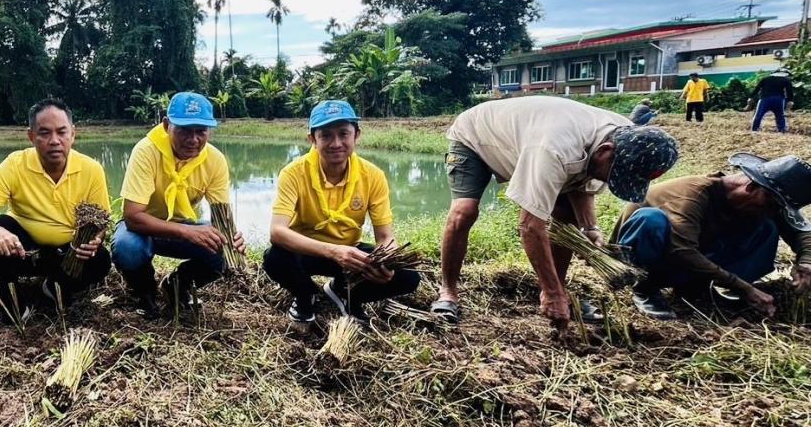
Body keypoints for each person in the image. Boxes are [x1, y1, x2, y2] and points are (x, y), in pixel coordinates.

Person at [433, 95, 678, 330]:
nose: (613, 181)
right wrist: (552, 294)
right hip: (477, 136)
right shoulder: (554, 147)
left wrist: (589, 228)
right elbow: (530, 225)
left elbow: (583, 181)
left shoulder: (627, 134)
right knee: (465, 210)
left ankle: (558, 289)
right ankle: (448, 292)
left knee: (567, 214)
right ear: (605, 151)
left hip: (529, 140)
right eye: (614, 175)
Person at [263, 100, 420, 331]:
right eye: (325, 135)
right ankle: (306, 295)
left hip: (351, 253)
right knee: (275, 258)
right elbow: (277, 231)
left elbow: (385, 236)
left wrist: (386, 261)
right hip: (307, 251)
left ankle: (347, 294)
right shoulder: (293, 173)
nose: (336, 143)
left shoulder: (373, 175)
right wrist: (334, 251)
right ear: (312, 140)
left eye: (343, 134)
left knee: (407, 276)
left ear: (356, 135)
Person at [612, 154, 811, 320]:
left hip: (688, 257)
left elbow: (802, 230)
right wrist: (743, 288)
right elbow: (682, 250)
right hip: (655, 255)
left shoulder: (763, 199)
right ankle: (645, 289)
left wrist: (807, 263)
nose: (772, 211)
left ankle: (695, 289)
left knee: (767, 225)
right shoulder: (693, 195)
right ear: (750, 187)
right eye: (773, 206)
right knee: (651, 219)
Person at [0, 99, 111, 325]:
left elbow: (101, 222)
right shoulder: (15, 164)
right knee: (0, 223)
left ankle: (56, 286)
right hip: (25, 251)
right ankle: (12, 296)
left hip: (67, 254)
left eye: (62, 132)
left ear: (73, 134)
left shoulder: (91, 169)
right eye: (44, 133)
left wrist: (95, 239)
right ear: (31, 136)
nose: (54, 141)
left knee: (100, 258)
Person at [113, 91, 245, 318]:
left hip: (181, 225)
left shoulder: (215, 160)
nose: (193, 140)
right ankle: (145, 292)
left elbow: (222, 216)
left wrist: (232, 236)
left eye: (201, 131)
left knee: (224, 249)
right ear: (166, 125)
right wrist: (187, 232)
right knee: (127, 248)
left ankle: (176, 285)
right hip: (141, 229)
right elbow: (133, 217)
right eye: (184, 130)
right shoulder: (146, 151)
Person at [751, 69, 795, 133]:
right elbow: (789, 91)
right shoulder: (786, 80)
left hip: (765, 99)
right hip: (779, 99)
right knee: (780, 115)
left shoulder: (765, 79)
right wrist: (790, 100)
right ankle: (781, 131)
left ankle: (754, 130)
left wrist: (751, 96)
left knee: (758, 115)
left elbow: (757, 88)